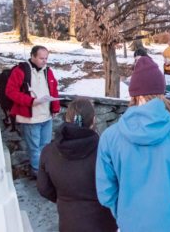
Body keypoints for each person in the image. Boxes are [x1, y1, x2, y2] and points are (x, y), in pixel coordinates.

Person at [96, 56, 170, 232]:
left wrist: (124, 213)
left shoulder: (110, 137)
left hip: (132, 223)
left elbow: (106, 191)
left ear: (134, 93)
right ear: (162, 92)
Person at [37, 98, 117, 232]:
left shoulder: (48, 151)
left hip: (68, 222)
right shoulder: (105, 151)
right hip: (103, 223)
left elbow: (43, 188)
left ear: (67, 118)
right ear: (93, 120)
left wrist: (65, 199)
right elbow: (117, 185)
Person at [5, 45, 60, 177]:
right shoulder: (20, 71)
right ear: (33, 56)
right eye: (41, 58)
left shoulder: (48, 71)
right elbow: (10, 92)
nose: (44, 61)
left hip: (46, 117)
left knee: (45, 147)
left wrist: (55, 107)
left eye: (46, 58)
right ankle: (38, 174)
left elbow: (54, 90)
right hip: (30, 118)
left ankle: (44, 172)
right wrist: (31, 101)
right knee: (34, 149)